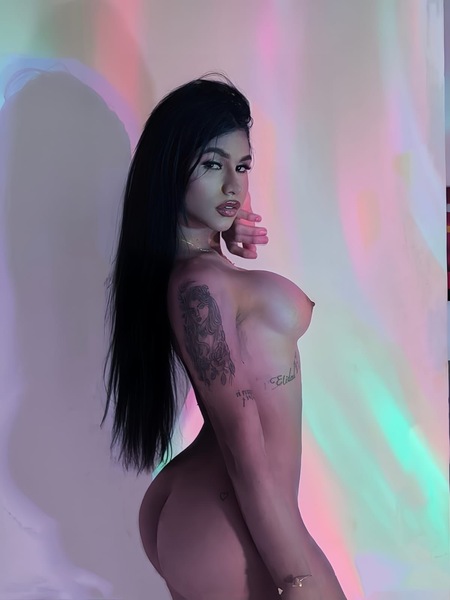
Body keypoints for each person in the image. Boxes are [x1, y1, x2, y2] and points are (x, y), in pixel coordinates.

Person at [102, 74, 347, 600]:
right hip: (229, 513)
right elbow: (243, 446)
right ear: (172, 168)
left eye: (243, 166)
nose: (234, 185)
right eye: (214, 165)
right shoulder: (199, 285)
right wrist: (295, 577)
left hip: (210, 510)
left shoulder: (195, 269)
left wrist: (220, 235)